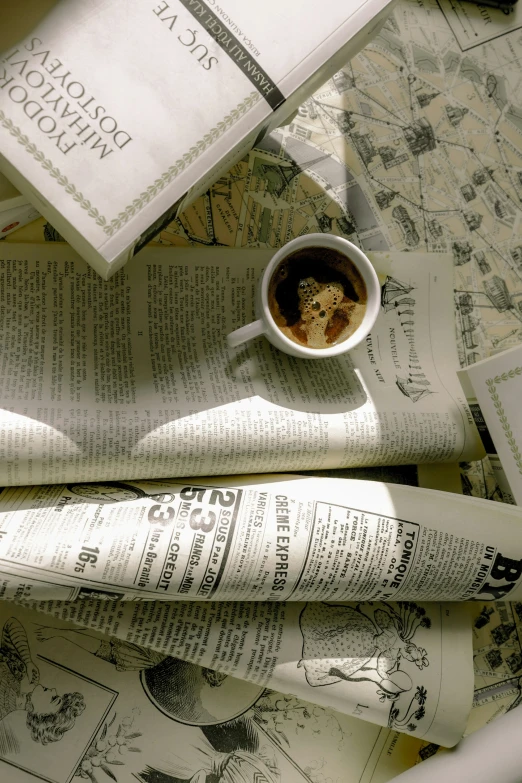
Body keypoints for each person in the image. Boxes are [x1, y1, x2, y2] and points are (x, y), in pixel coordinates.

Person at [298, 602, 430, 701]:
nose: (406, 654)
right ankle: (313, 649)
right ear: (409, 646)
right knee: (337, 636)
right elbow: (379, 614)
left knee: (339, 652)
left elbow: (381, 666)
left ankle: (311, 658)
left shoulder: (393, 654)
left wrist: (385, 676)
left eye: (409, 657)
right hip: (364, 634)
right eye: (409, 652)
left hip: (365, 648)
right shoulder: (394, 632)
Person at [0, 617, 85, 745]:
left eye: (53, 698)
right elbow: (11, 625)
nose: (54, 690)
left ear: (40, 716)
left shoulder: (2, 711)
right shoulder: (20, 671)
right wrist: (27, 661)